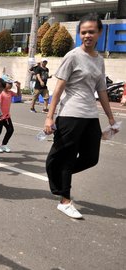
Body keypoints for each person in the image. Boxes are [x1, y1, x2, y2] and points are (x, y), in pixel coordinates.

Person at [43, 14, 118, 219]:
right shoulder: (73, 56)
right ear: (79, 34)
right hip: (70, 115)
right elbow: (58, 89)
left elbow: (101, 89)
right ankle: (65, 200)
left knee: (91, 158)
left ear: (99, 33)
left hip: (90, 115)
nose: (87, 35)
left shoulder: (99, 59)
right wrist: (50, 117)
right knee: (67, 158)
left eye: (91, 32)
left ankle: (57, 173)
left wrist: (110, 118)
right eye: (83, 32)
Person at [0, 77, 21, 153]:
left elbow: (18, 95)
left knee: (10, 130)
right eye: (9, 83)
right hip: (0, 116)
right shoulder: (1, 93)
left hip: (7, 116)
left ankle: (4, 144)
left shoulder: (10, 92)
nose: (10, 85)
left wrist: (18, 87)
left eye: (11, 84)